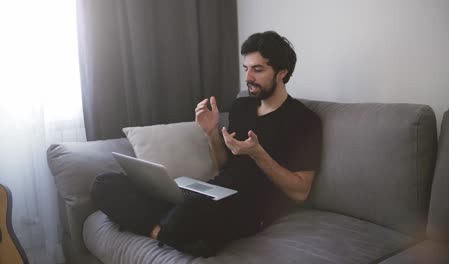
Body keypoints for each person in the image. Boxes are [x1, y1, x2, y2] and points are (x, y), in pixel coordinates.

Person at [91, 31, 322, 257]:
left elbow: (300, 193)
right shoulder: (243, 107)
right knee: (104, 183)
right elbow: (224, 165)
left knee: (186, 215)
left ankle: (168, 224)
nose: (248, 77)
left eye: (258, 69)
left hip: (251, 208)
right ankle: (165, 232)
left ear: (282, 72)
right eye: (246, 69)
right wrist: (211, 132)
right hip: (212, 192)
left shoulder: (304, 121)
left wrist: (258, 154)